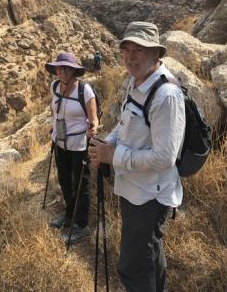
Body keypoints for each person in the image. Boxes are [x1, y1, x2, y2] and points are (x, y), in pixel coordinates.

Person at [89, 22, 186, 292]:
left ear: (156, 54)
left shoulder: (166, 95)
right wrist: (106, 143)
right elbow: (126, 124)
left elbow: (165, 158)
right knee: (150, 255)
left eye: (138, 50)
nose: (130, 56)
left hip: (149, 196)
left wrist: (114, 155)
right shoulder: (137, 82)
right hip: (135, 189)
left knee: (132, 267)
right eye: (126, 50)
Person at [45, 52, 99, 244]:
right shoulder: (55, 87)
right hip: (59, 142)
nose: (62, 71)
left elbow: (93, 117)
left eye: (66, 68)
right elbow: (56, 110)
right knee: (65, 181)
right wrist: (54, 124)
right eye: (59, 68)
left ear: (74, 70)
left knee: (80, 184)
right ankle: (69, 216)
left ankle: (81, 225)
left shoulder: (84, 90)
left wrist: (93, 126)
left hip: (78, 145)